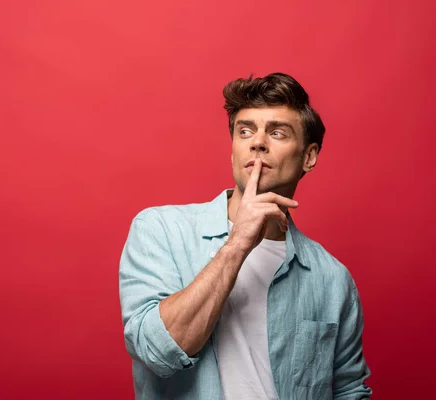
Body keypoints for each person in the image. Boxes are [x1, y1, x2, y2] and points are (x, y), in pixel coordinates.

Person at [118, 72, 371, 399]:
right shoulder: (160, 230)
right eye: (245, 131)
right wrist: (237, 244)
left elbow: (349, 390)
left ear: (308, 157)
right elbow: (156, 351)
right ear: (234, 149)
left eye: (278, 132)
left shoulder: (332, 279)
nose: (258, 141)